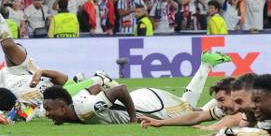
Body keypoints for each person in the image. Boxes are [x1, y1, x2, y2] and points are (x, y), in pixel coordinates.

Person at [42, 52, 232, 125]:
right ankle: (207, 68)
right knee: (188, 107)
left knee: (191, 112)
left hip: (151, 106)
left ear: (62, 107)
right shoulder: (76, 102)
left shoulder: (86, 109)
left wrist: (132, 119)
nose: (46, 114)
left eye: (49, 109)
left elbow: (121, 89)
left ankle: (228, 93)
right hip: (143, 97)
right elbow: (94, 86)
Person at [138, 77, 236, 128]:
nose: (219, 105)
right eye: (217, 101)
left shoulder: (249, 103)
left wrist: (212, 127)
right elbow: (197, 116)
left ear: (235, 94)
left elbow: (234, 119)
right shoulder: (226, 108)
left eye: (222, 100)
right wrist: (160, 122)